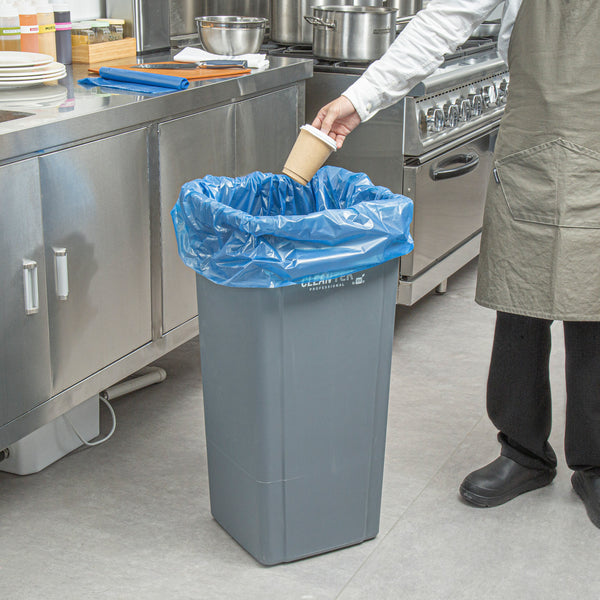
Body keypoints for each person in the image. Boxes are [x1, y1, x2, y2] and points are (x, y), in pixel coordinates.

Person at [312, 0, 600, 529]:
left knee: (598, 306)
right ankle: (523, 452)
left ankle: (598, 464)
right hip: (534, 148)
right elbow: (446, 18)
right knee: (519, 299)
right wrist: (361, 97)